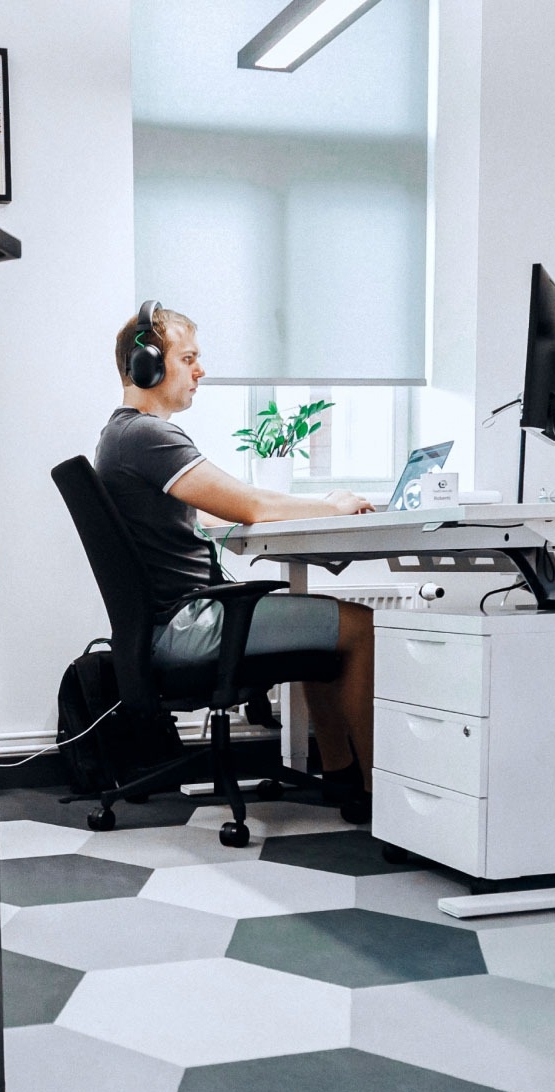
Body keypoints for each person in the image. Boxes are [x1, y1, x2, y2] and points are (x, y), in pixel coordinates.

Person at [94, 302, 375, 823]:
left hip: (167, 623)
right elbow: (251, 506)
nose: (201, 371)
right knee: (359, 626)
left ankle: (340, 775)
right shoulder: (146, 436)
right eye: (189, 358)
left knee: (316, 624)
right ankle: (376, 786)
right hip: (186, 626)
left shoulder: (120, 436)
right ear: (147, 366)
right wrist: (330, 506)